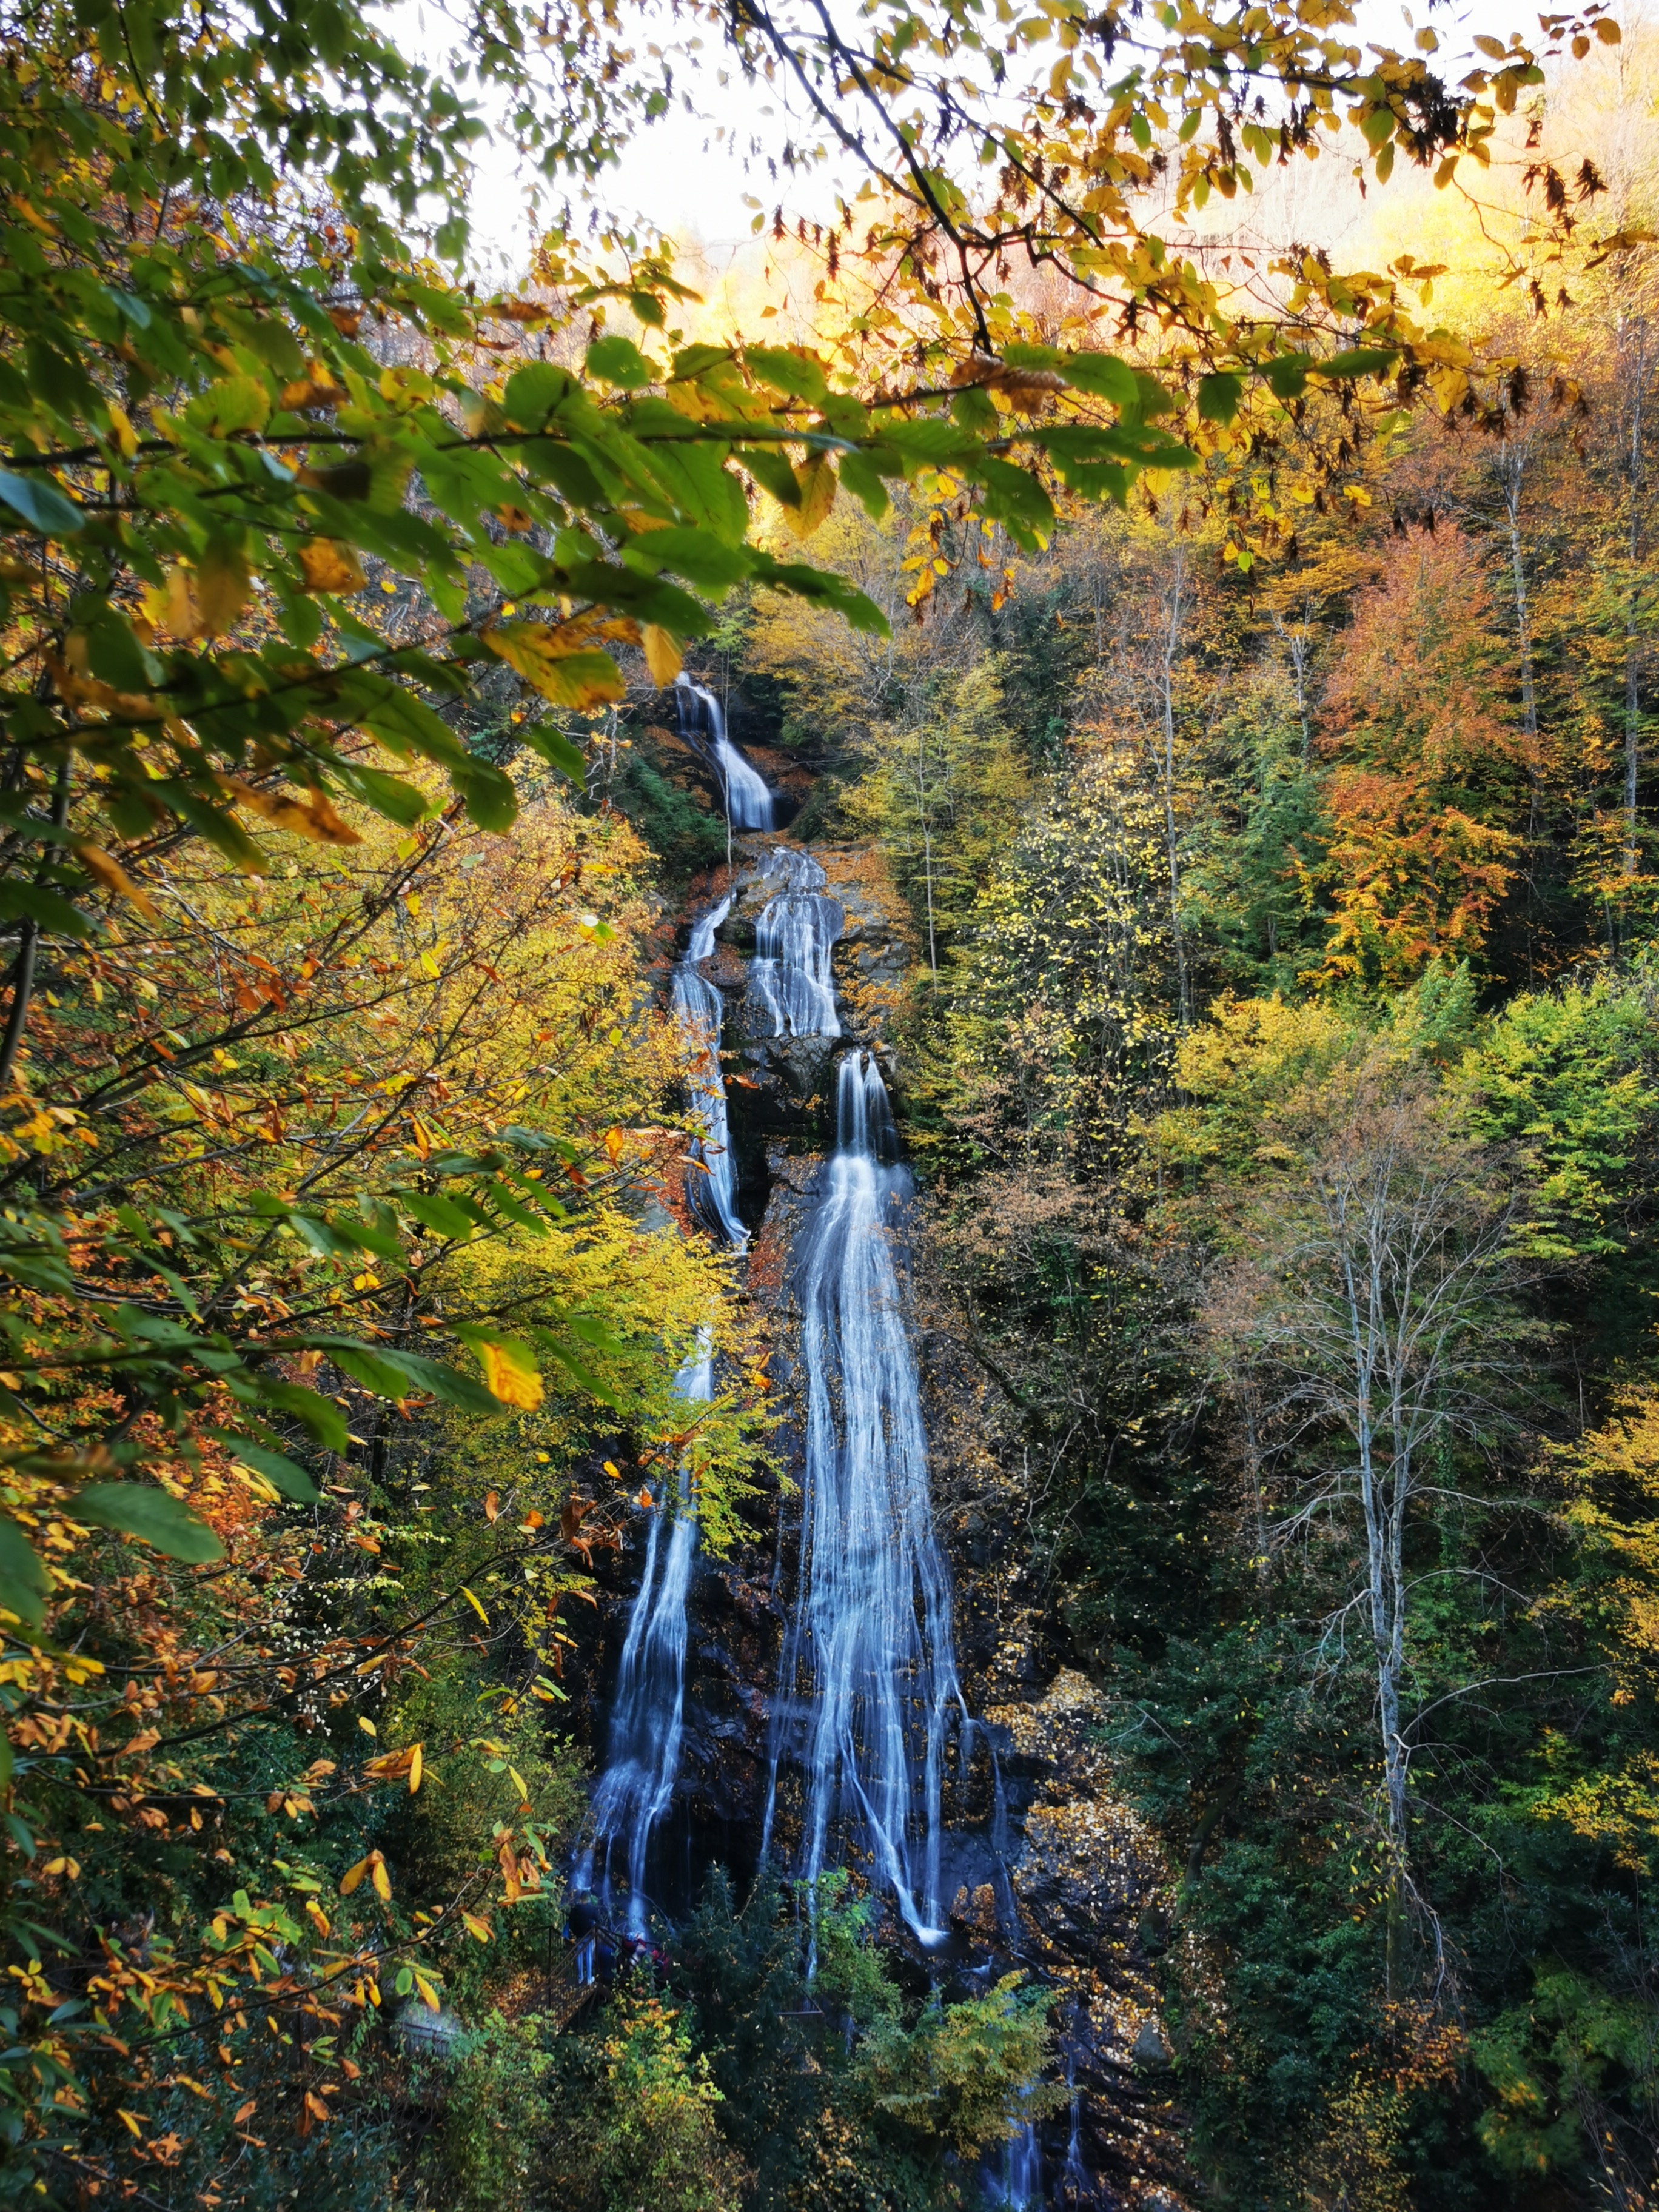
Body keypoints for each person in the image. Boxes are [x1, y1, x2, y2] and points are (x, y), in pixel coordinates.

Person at [566, 1891, 600, 1986]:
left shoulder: (575, 1909)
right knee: (589, 1955)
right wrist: (593, 1928)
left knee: (579, 1955)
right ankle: (589, 1979)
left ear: (581, 1899)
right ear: (588, 1899)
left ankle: (580, 1978)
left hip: (579, 1936)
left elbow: (571, 1923)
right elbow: (599, 1921)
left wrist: (575, 1932)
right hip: (589, 1935)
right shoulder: (592, 1909)